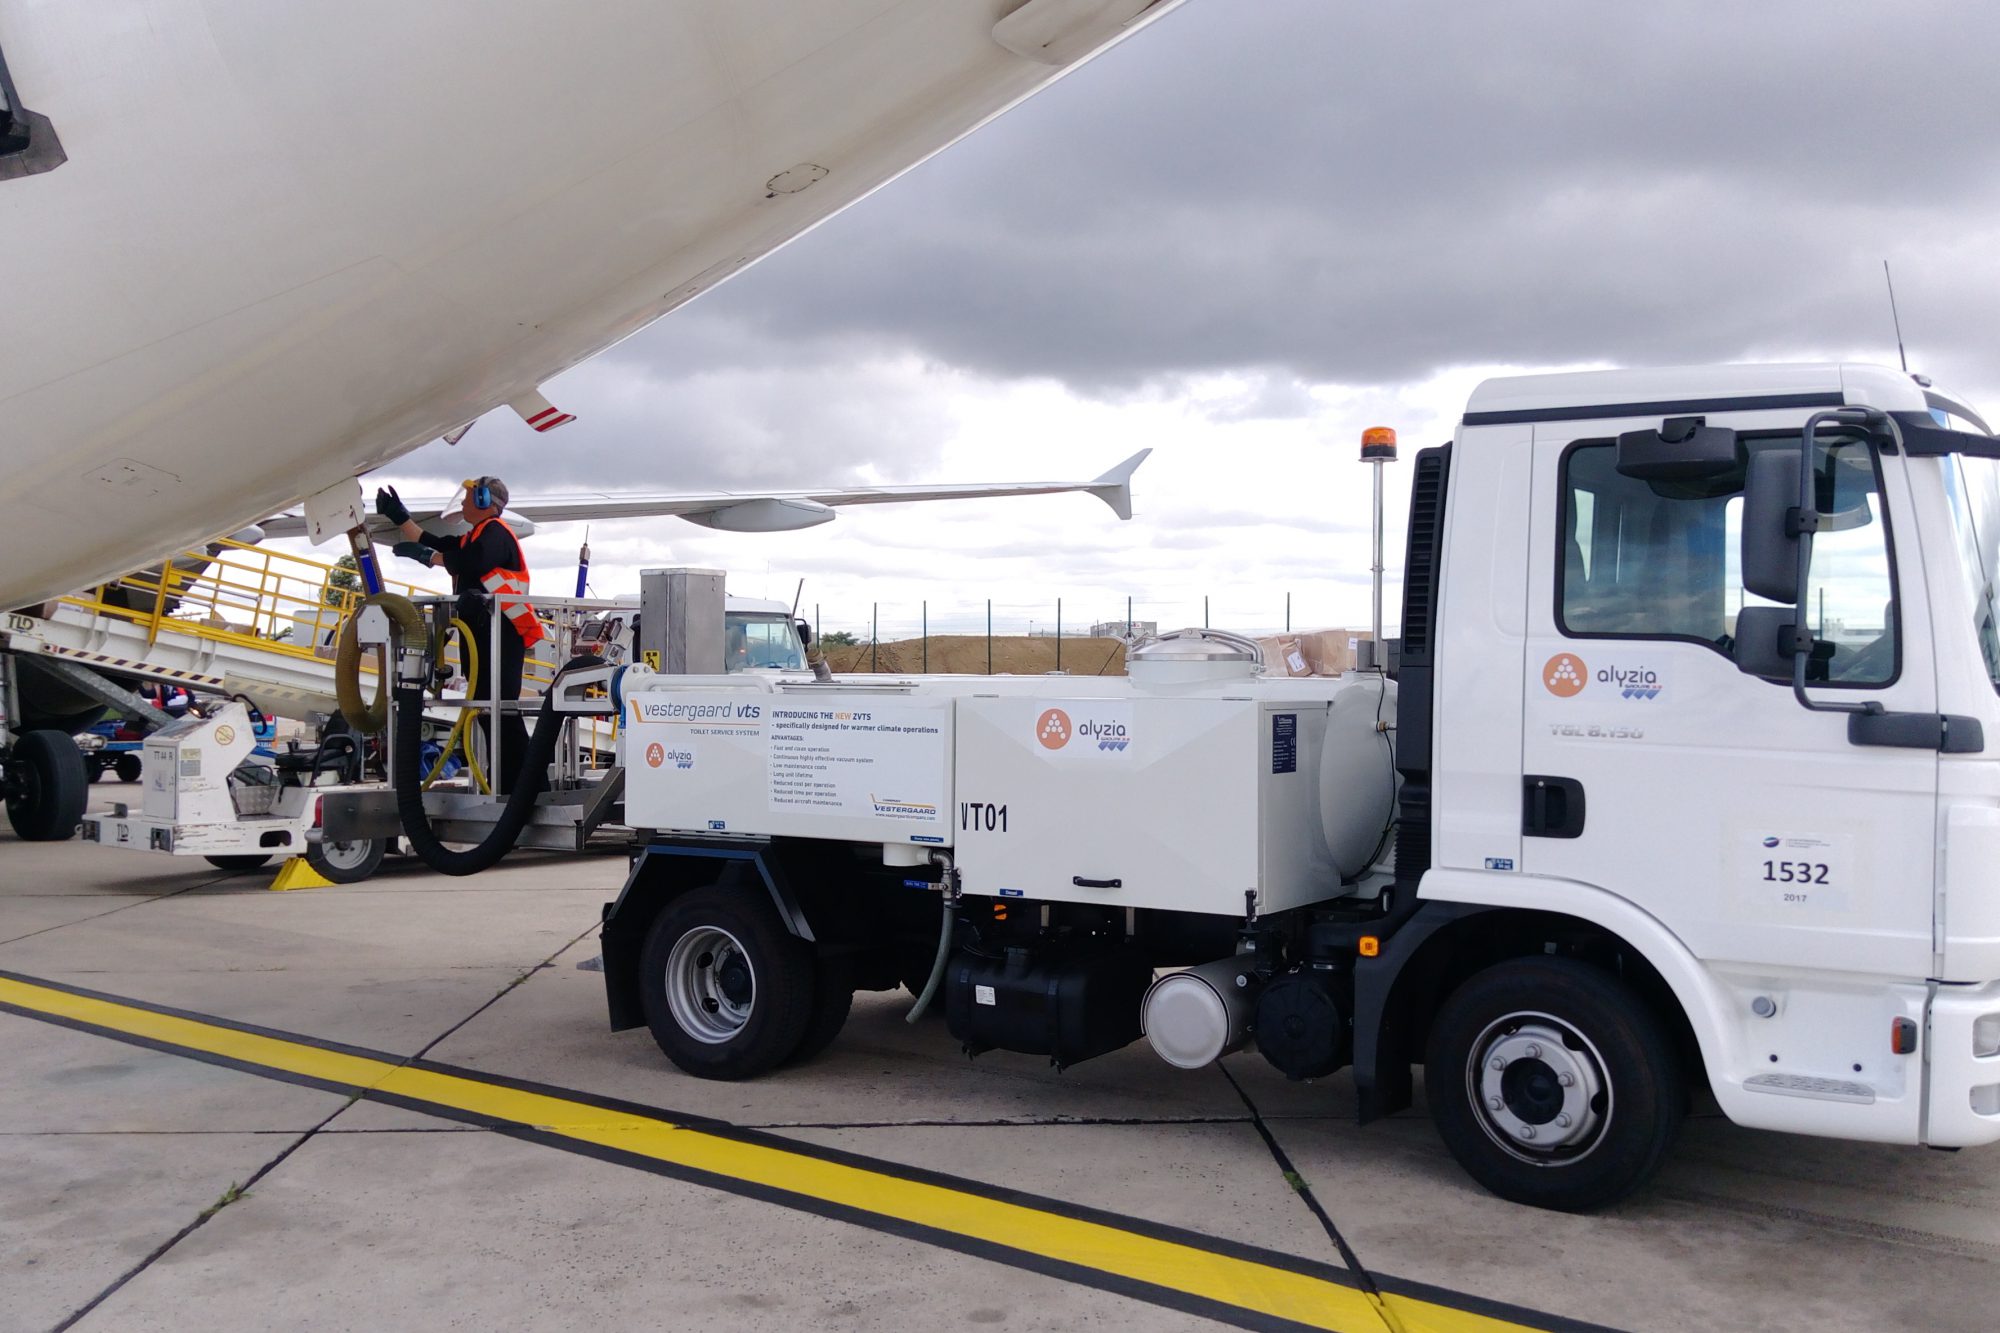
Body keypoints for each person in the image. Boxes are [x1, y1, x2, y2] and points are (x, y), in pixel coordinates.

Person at [376, 476, 545, 794]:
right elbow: (439, 543)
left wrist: (427, 558)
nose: (464, 504)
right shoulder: (476, 535)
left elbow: (469, 561)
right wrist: (400, 517)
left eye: (469, 498)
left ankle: (527, 786)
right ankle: (510, 784)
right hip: (481, 636)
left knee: (500, 712)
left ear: (485, 501)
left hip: (501, 636)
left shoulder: (496, 533)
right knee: (487, 713)